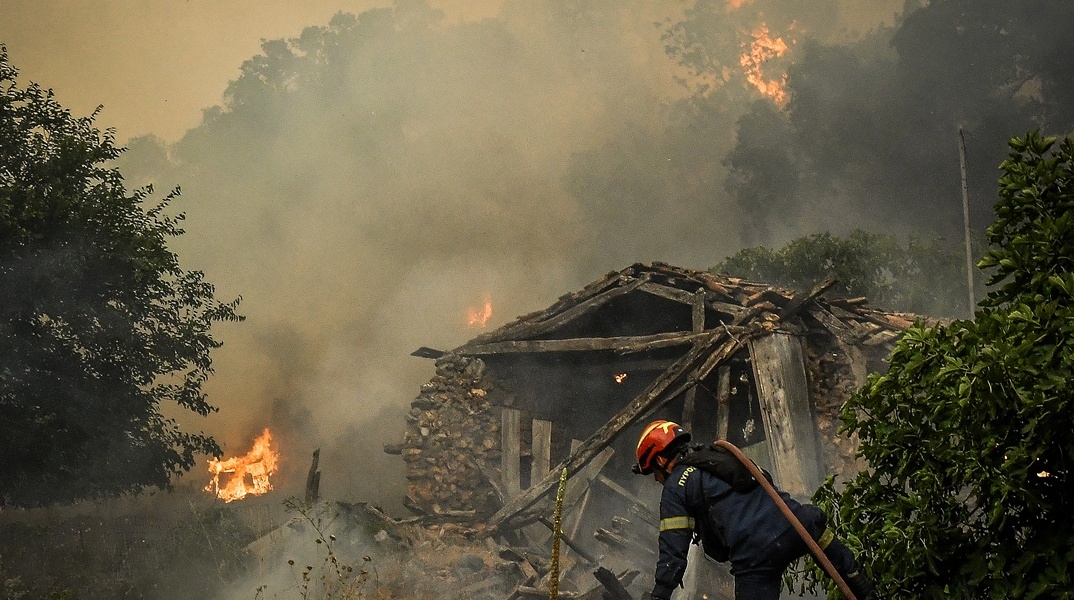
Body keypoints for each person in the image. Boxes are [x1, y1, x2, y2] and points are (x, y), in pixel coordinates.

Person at [633, 419, 878, 600]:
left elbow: (673, 551)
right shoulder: (721, 456)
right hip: (794, 527)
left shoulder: (676, 485)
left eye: (653, 472)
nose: (656, 479)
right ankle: (864, 588)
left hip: (756, 557)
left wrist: (660, 595)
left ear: (660, 460)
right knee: (815, 526)